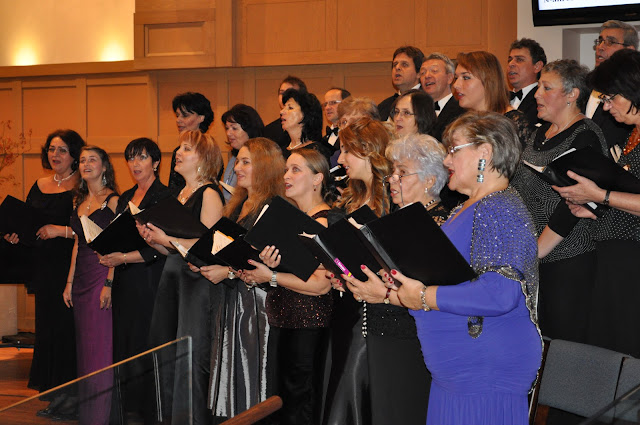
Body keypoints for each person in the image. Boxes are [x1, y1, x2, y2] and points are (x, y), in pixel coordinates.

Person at [352, 111, 541, 424]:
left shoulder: (499, 207)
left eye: (454, 150)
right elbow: (445, 287)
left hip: (485, 374)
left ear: (485, 152)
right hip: (457, 375)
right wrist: (388, 293)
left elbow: (499, 294)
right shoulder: (465, 209)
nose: (446, 160)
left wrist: (422, 296)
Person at [325, 117, 429, 425]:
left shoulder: (395, 202)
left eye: (347, 151)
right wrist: (339, 272)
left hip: (379, 318)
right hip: (347, 311)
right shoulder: (349, 199)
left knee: (360, 396)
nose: (340, 159)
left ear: (369, 151)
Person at [511, 59, 607, 343]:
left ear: (571, 94)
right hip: (534, 257)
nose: (537, 94)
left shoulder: (585, 135)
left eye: (546, 87)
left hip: (567, 260)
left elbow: (574, 202)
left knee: (562, 346)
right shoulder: (539, 133)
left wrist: (537, 250)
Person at [554, 49, 640, 357]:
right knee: (609, 351)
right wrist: (593, 210)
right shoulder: (633, 136)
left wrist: (599, 196)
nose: (606, 106)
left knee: (627, 350)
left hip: (633, 260)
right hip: (614, 255)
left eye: (611, 98)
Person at [242, 148, 335, 425]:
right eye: (286, 170)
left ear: (317, 179)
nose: (286, 176)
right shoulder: (291, 221)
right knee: (280, 404)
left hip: (307, 327)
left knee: (298, 408)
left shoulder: (323, 221)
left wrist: (270, 276)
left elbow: (321, 285)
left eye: (296, 170)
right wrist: (267, 268)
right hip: (285, 322)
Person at [196, 137, 284, 422]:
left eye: (246, 162)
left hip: (256, 304)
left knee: (251, 371)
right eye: (238, 162)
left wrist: (227, 271)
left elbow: (265, 261)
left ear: (265, 166)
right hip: (232, 299)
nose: (237, 168)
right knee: (229, 369)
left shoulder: (274, 207)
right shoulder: (238, 204)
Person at [140, 130, 224, 425]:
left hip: (196, 284)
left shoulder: (209, 194)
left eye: (187, 148)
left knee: (191, 357)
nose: (178, 153)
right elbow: (172, 251)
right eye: (180, 148)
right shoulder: (179, 195)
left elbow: (209, 249)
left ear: (204, 158)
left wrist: (168, 240)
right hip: (172, 278)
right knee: (168, 353)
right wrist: (154, 240)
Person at [4, 130, 84, 420]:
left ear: (74, 155)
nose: (55, 155)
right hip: (42, 267)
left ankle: (73, 397)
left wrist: (59, 231)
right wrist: (15, 235)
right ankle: (55, 395)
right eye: (51, 149)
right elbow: (28, 223)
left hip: (70, 267)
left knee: (67, 332)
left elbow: (91, 228)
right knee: (48, 332)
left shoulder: (82, 184)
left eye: (62, 150)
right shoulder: (39, 185)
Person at [97, 138, 172, 423]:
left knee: (145, 343)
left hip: (151, 278)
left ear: (156, 162)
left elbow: (161, 248)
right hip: (125, 280)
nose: (135, 163)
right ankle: (127, 409)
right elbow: (118, 240)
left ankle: (149, 412)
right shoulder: (126, 196)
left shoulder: (164, 195)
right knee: (125, 344)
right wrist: (109, 278)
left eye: (141, 157)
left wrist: (123, 258)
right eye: (130, 158)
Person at [64, 145, 119, 425]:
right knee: (85, 349)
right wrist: (69, 282)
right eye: (83, 160)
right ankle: (87, 415)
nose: (86, 164)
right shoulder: (80, 200)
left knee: (100, 347)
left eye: (92, 160)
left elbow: (119, 244)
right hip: (81, 279)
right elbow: (77, 244)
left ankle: (101, 416)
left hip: (101, 273)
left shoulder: (113, 200)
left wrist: (109, 281)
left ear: (104, 166)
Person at [453, 51, 532, 148]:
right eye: (456, 78)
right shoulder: (462, 121)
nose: (456, 85)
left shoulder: (514, 123)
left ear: (488, 81)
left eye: (466, 77)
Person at [586, 20, 637, 151]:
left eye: (610, 42)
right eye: (600, 41)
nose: (600, 47)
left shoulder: (631, 91)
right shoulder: (586, 85)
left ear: (629, 51)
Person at [385, 133, 450, 221]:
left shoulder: (439, 223)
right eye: (393, 171)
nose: (391, 179)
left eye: (402, 172)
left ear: (429, 181)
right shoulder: (401, 215)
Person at [168, 92, 214, 193]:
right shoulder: (177, 151)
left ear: (201, 118)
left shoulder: (209, 150)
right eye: (177, 115)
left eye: (185, 116)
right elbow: (173, 189)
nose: (178, 120)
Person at [221, 104, 265, 201]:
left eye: (234, 128)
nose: (228, 133)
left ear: (249, 130)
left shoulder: (263, 160)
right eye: (227, 128)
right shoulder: (233, 158)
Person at [420, 52, 466, 143]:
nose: (427, 76)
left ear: (450, 78)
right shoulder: (417, 111)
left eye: (434, 71)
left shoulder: (462, 112)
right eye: (423, 73)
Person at [507, 38, 547, 128]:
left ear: (537, 66)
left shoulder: (544, 100)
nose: (511, 64)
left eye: (519, 60)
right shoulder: (500, 99)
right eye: (510, 60)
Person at [378, 46, 425, 121]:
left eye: (404, 64)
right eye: (395, 64)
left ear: (419, 73)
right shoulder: (383, 106)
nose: (397, 68)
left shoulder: (428, 103)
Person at [280, 88, 328, 159]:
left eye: (290, 108)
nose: (281, 112)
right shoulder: (280, 152)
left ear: (306, 114)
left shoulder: (316, 151)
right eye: (284, 107)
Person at [263, 76, 308, 150]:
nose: (285, 96)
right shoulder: (269, 130)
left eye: (290, 92)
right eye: (282, 93)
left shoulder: (309, 128)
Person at [319, 87, 351, 167]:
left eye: (333, 103)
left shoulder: (352, 136)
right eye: (325, 104)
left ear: (347, 105)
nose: (327, 108)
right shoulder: (323, 139)